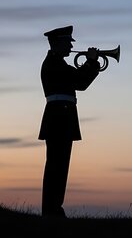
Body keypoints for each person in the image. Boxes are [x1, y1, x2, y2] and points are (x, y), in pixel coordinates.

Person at [38, 25, 100, 219]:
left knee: (59, 166)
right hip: (59, 118)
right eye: (66, 43)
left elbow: (76, 80)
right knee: (57, 166)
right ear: (56, 43)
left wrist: (90, 65)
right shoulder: (54, 64)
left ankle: (54, 208)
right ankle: (52, 210)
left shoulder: (57, 63)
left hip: (61, 117)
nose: (70, 47)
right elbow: (80, 83)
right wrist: (91, 63)